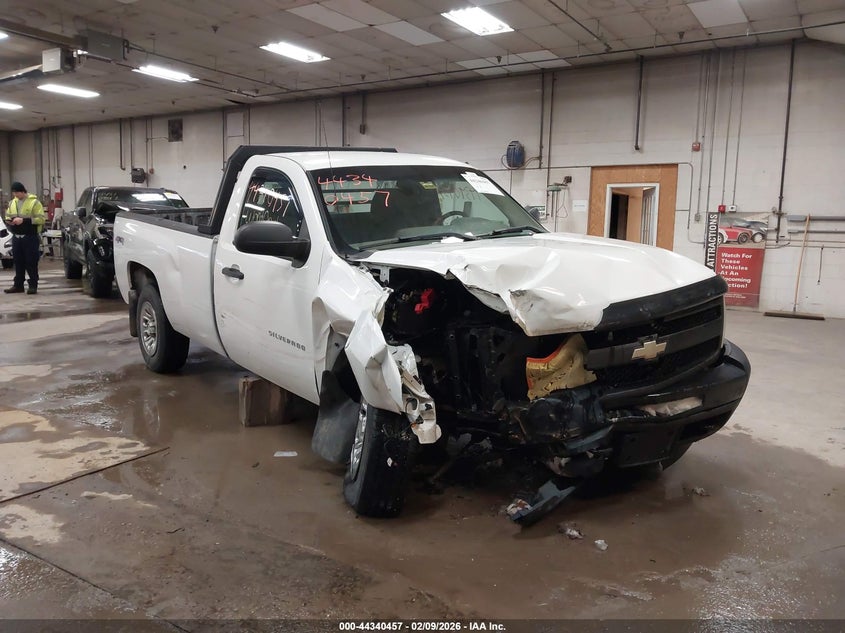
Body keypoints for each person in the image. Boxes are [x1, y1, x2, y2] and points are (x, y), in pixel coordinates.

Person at [4, 181, 45, 294]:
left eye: (17, 193)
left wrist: (24, 220)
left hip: (30, 237)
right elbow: (8, 215)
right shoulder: (12, 203)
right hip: (17, 237)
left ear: (23, 191)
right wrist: (9, 221)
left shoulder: (34, 203)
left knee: (31, 262)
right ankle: (18, 285)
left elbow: (41, 219)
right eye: (14, 193)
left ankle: (33, 285)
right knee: (18, 262)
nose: (15, 195)